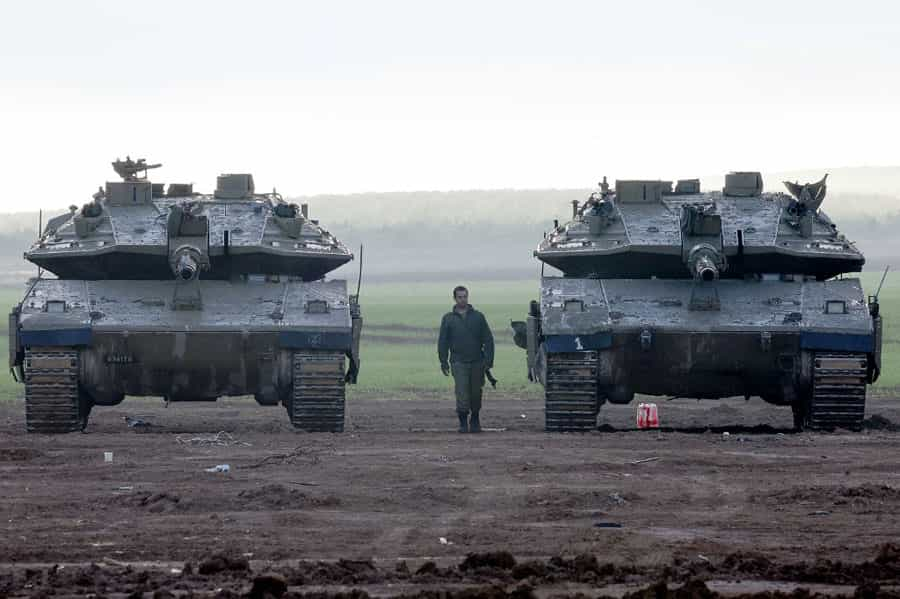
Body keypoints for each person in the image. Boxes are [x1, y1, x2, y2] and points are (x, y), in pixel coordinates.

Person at [438, 285, 495, 433]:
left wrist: (489, 361)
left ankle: (475, 419)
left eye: (465, 296)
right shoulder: (448, 319)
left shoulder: (478, 317)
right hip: (458, 361)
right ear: (455, 298)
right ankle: (463, 422)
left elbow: (488, 339)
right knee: (462, 392)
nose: (463, 299)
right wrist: (443, 361)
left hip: (477, 361)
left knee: (476, 392)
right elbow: (442, 341)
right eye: (460, 297)